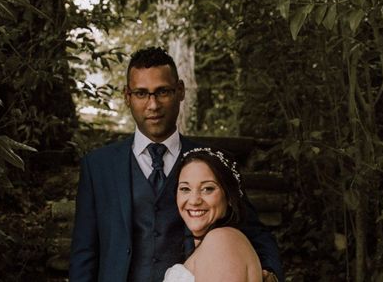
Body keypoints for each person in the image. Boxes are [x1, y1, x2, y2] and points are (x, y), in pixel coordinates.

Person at [69, 47, 283, 282]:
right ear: (127, 97)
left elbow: (254, 230)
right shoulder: (98, 166)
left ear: (180, 91)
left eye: (162, 92)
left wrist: (269, 271)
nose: (153, 105)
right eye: (141, 94)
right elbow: (85, 252)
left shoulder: (213, 161)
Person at [164, 148, 262, 282]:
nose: (194, 200)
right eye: (185, 189)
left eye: (207, 189)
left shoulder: (221, 241)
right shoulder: (213, 242)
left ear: (228, 197)